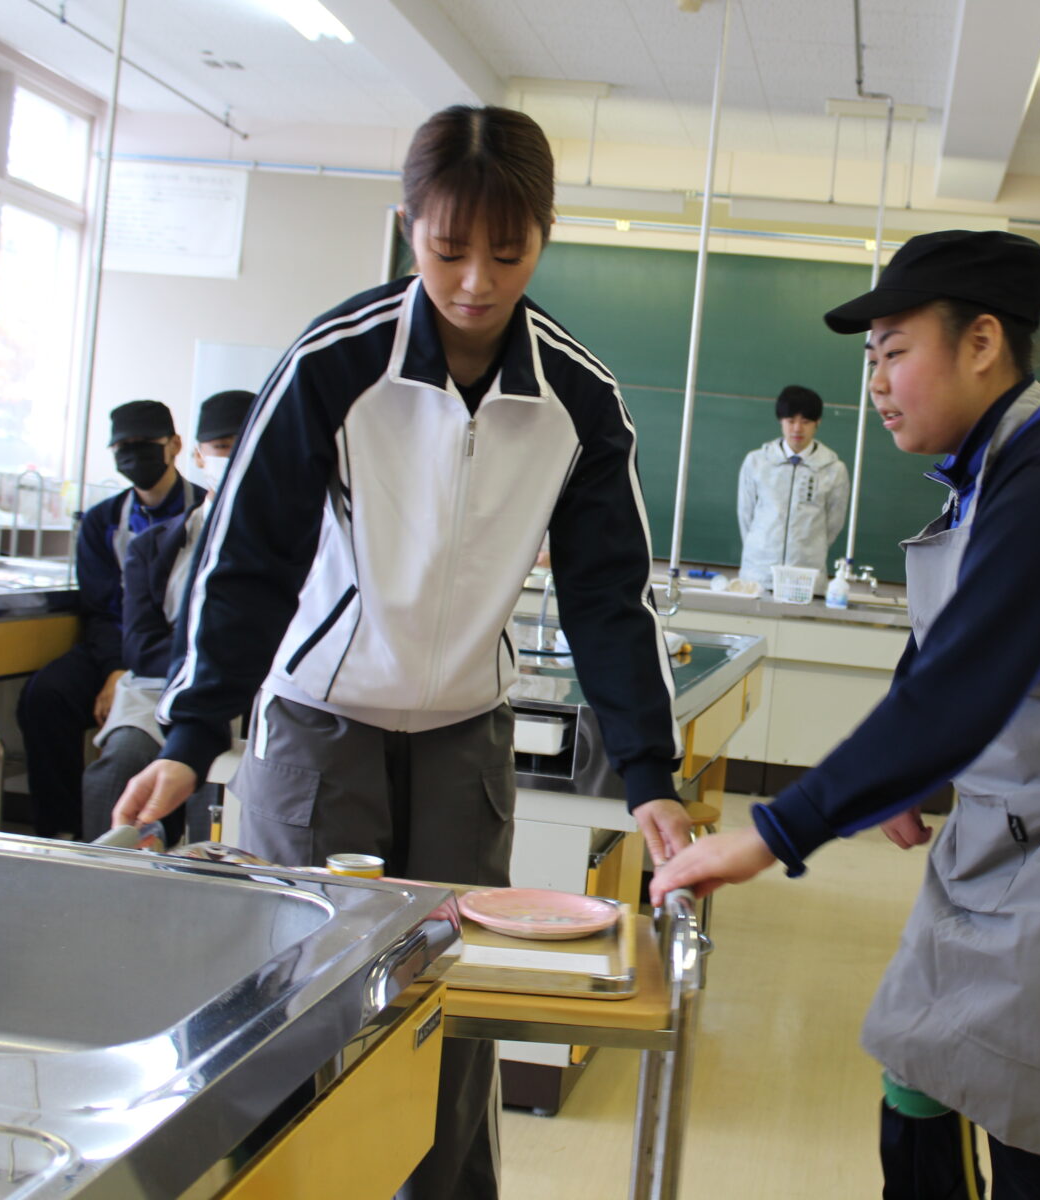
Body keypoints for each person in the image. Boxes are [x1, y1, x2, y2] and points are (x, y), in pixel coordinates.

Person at [111, 105, 691, 1200]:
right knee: (301, 1011)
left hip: (465, 731)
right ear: (406, 226)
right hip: (321, 723)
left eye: (507, 252)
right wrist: (193, 736)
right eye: (447, 247)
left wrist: (650, 777)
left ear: (545, 236)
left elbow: (609, 596)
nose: (475, 280)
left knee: (449, 1011)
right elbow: (249, 562)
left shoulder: (575, 397)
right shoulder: (335, 365)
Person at [652, 230, 1040, 1200]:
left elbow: (964, 684)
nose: (876, 382)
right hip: (1030, 806)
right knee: (919, 1061)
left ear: (981, 344)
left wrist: (775, 829)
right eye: (870, 357)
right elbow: (948, 644)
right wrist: (913, 775)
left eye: (895, 350)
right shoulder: (990, 466)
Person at [16, 400, 204, 838]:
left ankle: (159, 834)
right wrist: (115, 668)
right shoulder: (103, 520)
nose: (133, 456)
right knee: (45, 696)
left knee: (143, 745)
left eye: (144, 445)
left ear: (175, 446)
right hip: (117, 646)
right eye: (123, 448)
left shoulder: (204, 512)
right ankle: (59, 831)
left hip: (181, 653)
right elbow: (101, 607)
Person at [80, 390, 252, 843]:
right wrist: (215, 656)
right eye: (221, 446)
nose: (231, 456)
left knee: (217, 782)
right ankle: (93, 881)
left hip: (250, 702)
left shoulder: (293, 544)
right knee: (116, 768)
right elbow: (140, 646)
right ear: (196, 453)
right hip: (157, 694)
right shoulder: (154, 546)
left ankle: (206, 889)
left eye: (244, 442)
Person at [736, 384, 850, 587]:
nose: (797, 428)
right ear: (781, 421)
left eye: (805, 421)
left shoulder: (834, 469)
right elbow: (746, 515)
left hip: (806, 575)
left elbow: (834, 523)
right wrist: (762, 548)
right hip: (758, 573)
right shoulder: (756, 462)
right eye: (791, 421)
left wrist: (806, 550)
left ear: (818, 423)